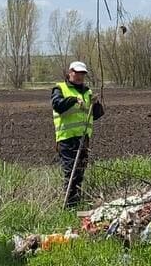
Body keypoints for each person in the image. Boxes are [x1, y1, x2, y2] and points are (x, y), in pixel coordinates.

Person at [51, 61, 105, 208]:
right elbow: (58, 105)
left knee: (79, 174)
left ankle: (75, 205)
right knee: (71, 174)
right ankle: (69, 207)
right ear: (70, 73)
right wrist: (73, 100)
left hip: (83, 140)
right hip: (67, 138)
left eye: (82, 74)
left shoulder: (87, 92)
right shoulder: (59, 89)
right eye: (77, 73)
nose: (80, 76)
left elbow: (97, 115)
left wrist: (96, 104)